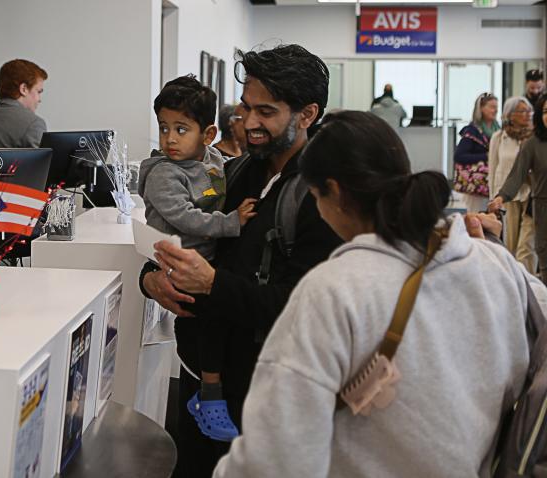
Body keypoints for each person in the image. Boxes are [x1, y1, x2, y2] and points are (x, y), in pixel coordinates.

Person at [213, 110, 541, 477]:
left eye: (315, 196)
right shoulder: (494, 264)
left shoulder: (334, 291)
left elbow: (274, 457)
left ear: (334, 192)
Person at [140, 44, 341, 477]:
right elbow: (192, 236)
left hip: (266, 399)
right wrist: (150, 279)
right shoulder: (240, 169)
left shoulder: (323, 199)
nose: (249, 122)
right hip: (202, 373)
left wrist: (213, 285)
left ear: (307, 114)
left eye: (266, 112)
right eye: (247, 108)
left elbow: (302, 308)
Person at [137, 75, 257, 442]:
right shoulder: (164, 174)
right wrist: (231, 222)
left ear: (207, 136)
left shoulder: (213, 160)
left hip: (203, 260)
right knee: (209, 321)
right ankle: (209, 393)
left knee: (213, 318)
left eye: (180, 129)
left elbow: (216, 178)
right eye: (163, 128)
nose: (170, 139)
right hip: (179, 262)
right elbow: (187, 217)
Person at [491, 95, 547, 282]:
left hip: (533, 203)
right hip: (541, 207)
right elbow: (517, 174)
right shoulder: (532, 144)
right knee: (541, 254)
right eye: (545, 112)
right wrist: (500, 197)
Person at [0, 59, 48, 148]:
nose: (39, 99)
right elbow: (43, 162)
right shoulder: (33, 124)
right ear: (24, 89)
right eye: (38, 91)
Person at [454, 92, 500, 212]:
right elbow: (459, 156)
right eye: (492, 107)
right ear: (481, 109)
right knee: (475, 217)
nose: (495, 110)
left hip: (493, 183)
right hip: (475, 187)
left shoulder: (499, 130)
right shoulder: (472, 131)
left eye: (496, 107)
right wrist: (485, 156)